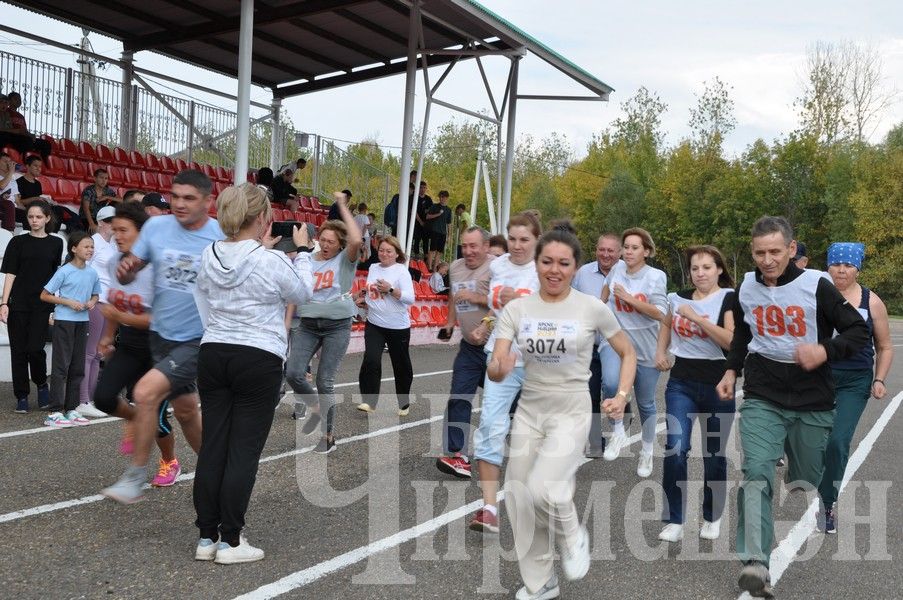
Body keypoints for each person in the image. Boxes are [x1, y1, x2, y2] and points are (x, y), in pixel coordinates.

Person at [715, 216, 868, 598]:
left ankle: (798, 470)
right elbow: (743, 335)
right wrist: (732, 370)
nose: (767, 260)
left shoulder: (816, 284)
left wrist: (823, 350)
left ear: (791, 249)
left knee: (806, 476)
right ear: (752, 252)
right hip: (764, 392)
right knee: (756, 473)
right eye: (759, 252)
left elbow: (857, 332)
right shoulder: (745, 287)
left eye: (775, 252)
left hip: (813, 397)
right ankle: (755, 562)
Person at [488, 228, 636, 600]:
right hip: (529, 413)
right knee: (519, 496)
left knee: (544, 489)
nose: (554, 270)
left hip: (571, 411)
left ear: (575, 268)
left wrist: (620, 395)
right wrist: (500, 368)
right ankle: (542, 583)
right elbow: (496, 364)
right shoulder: (517, 309)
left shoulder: (591, 307)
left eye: (563, 263)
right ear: (536, 265)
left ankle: (572, 535)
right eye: (547, 262)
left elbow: (627, 352)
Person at [193, 182, 313, 564]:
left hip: (213, 350)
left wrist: (218, 330)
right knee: (242, 450)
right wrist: (305, 252)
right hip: (257, 355)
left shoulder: (208, 254)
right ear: (262, 218)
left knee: (214, 445)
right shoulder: (271, 259)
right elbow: (303, 294)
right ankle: (231, 541)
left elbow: (201, 299)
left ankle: (206, 536)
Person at [100, 169, 224, 505]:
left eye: (189, 198)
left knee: (144, 393)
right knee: (185, 411)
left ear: (207, 201)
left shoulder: (220, 234)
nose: (179, 204)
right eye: (175, 196)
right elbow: (135, 268)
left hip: (198, 337)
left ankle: (135, 476)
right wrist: (128, 271)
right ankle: (217, 469)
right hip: (161, 336)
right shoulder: (156, 227)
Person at [93, 202, 181, 487]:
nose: (116, 235)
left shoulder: (159, 265)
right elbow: (113, 302)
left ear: (142, 233)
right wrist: (108, 335)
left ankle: (170, 461)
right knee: (104, 398)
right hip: (129, 343)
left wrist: (120, 316)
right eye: (113, 229)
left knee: (154, 413)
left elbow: (161, 319)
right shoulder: (112, 261)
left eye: (123, 230)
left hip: (161, 347)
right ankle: (133, 419)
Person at [654, 245, 736, 543]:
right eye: (695, 268)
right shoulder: (676, 299)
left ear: (719, 270)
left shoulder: (729, 298)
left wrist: (698, 318)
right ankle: (674, 518)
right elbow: (666, 324)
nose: (700, 273)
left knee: (714, 454)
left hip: (719, 382)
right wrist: (661, 351)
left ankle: (711, 516)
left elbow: (731, 342)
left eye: (707, 267)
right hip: (682, 381)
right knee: (675, 448)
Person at [469, 211, 542, 534]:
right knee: (489, 425)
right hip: (499, 356)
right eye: (512, 238)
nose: (517, 245)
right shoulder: (497, 266)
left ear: (537, 240)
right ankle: (488, 507)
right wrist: (489, 323)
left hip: (540, 361)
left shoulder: (545, 269)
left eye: (524, 239)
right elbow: (494, 307)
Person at [817, 242, 893, 534]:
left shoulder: (871, 302)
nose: (841, 270)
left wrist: (879, 379)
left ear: (858, 268)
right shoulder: (816, 296)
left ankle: (827, 504)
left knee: (837, 442)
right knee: (807, 439)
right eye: (836, 264)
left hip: (854, 380)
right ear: (828, 266)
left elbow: (885, 347)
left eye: (848, 265)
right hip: (818, 377)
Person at [285, 191, 362, 454]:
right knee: (293, 372)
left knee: (325, 381)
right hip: (308, 324)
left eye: (332, 241)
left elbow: (356, 238)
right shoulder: (308, 259)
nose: (327, 245)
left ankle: (327, 436)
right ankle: (317, 405)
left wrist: (341, 204)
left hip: (337, 325)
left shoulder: (344, 261)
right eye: (323, 240)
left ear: (340, 245)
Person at [600, 227, 668, 477]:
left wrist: (628, 299)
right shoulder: (617, 268)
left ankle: (647, 451)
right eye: (626, 247)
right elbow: (606, 292)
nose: (628, 252)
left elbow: (659, 313)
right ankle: (618, 431)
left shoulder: (655, 277)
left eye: (634, 248)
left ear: (646, 252)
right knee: (609, 384)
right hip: (616, 340)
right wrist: (602, 313)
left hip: (646, 346)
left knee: (646, 403)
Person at [435, 226, 494, 479]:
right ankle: (457, 455)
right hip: (470, 348)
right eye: (464, 246)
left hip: (499, 350)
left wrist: (485, 322)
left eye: (474, 246)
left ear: (486, 247)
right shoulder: (456, 267)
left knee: (509, 405)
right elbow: (453, 296)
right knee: (459, 396)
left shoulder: (498, 268)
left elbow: (506, 302)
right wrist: (450, 323)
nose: (468, 251)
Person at [3, 200, 63, 413]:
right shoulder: (17, 242)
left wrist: (56, 304)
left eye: (38, 217)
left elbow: (57, 276)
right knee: (19, 351)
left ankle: (41, 383)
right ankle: (22, 396)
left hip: (42, 304)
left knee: (35, 349)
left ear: (47, 218)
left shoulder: (57, 243)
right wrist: (3, 302)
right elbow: (11, 273)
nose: (34, 221)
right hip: (17, 303)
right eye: (30, 217)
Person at [39, 232, 100, 427]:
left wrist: (91, 302)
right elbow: (45, 295)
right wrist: (67, 302)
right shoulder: (64, 271)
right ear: (74, 249)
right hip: (64, 322)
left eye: (91, 246)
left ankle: (71, 409)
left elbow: (95, 295)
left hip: (82, 322)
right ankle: (55, 411)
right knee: (61, 366)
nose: (90, 250)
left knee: (77, 366)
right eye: (86, 246)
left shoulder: (92, 273)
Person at [572, 233, 623, 458]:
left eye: (610, 250)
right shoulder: (583, 273)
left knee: (611, 384)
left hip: (614, 343)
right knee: (589, 393)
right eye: (601, 249)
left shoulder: (626, 272)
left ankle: (619, 410)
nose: (605, 254)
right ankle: (594, 441)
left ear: (619, 252)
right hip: (588, 344)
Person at [355, 235, 415, 415]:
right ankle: (369, 402)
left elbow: (410, 299)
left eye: (389, 251)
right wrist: (364, 297)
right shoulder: (373, 267)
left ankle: (403, 402)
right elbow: (372, 292)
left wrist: (390, 289)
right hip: (374, 323)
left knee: (401, 365)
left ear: (397, 254)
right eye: (381, 250)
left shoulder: (401, 271)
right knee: (371, 360)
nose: (384, 254)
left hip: (398, 326)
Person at [73, 205, 117, 419]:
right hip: (96, 301)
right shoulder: (95, 244)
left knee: (98, 353)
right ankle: (83, 400)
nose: (113, 224)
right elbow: (82, 269)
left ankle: (90, 398)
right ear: (100, 223)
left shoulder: (113, 245)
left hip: (109, 303)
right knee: (90, 352)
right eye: (109, 220)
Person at [0, 92, 52, 160]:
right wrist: (17, 131)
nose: (18, 101)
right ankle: (24, 161)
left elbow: (23, 130)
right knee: (25, 141)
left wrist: (29, 134)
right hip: (12, 136)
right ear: (10, 101)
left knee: (46, 144)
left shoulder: (18, 116)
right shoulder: (7, 113)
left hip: (18, 135)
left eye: (19, 99)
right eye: (15, 99)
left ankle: (42, 164)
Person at [81, 168, 119, 233]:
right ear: (95, 179)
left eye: (106, 178)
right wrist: (91, 224)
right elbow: (86, 208)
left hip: (100, 217)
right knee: (95, 231)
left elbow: (122, 200)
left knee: (117, 203)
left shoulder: (107, 191)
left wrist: (107, 197)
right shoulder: (88, 190)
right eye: (101, 178)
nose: (103, 181)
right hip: (88, 218)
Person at [426, 190, 452, 271]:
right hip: (435, 231)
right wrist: (438, 214)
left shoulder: (448, 210)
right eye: (440, 197)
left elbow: (449, 224)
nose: (441, 198)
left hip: (443, 233)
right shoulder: (435, 206)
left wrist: (449, 235)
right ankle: (429, 267)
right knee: (432, 250)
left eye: (443, 197)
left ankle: (434, 269)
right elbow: (428, 216)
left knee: (439, 252)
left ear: (447, 198)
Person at [412, 180, 432, 258]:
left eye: (424, 188)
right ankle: (416, 256)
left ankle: (426, 258)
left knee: (426, 241)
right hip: (417, 223)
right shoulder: (415, 198)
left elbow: (431, 210)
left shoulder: (428, 199)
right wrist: (420, 221)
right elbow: (414, 211)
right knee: (417, 239)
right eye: (421, 187)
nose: (422, 189)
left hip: (426, 224)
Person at [0, 151, 19, 231]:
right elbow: (2, 185)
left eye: (9, 162)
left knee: (32, 211)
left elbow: (17, 201)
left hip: (11, 207)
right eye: (5, 162)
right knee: (9, 204)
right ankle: (9, 234)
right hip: (3, 205)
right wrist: (11, 171)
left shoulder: (13, 178)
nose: (8, 164)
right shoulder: (11, 175)